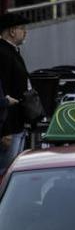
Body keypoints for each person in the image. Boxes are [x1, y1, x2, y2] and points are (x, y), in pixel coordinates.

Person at [0, 13, 29, 175]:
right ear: (11, 31)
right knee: (6, 172)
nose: (25, 32)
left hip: (17, 124)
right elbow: (2, 92)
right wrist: (5, 131)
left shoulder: (13, 51)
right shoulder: (3, 53)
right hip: (8, 127)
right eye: (22, 28)